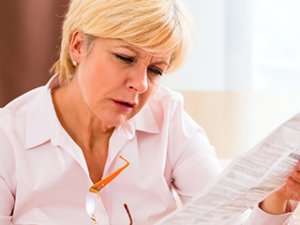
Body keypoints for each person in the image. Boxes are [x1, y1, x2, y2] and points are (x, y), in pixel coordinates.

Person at [0, 0, 299, 224]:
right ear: (78, 46)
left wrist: (274, 201)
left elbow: (226, 218)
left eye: (155, 70)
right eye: (125, 58)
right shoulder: (9, 135)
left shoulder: (168, 118)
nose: (141, 84)